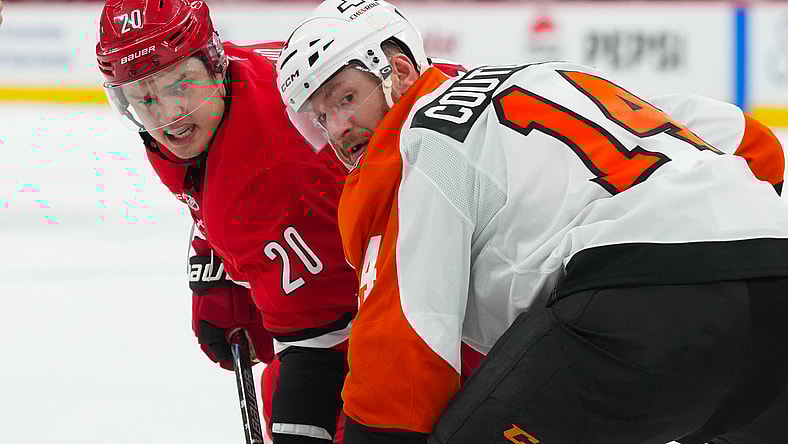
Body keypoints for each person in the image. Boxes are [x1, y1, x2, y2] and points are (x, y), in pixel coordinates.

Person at [277, 0, 788, 442]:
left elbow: (406, 342)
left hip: (642, 312)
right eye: (319, 118)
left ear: (401, 71)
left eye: (346, 98)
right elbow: (751, 142)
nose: (338, 129)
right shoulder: (550, 76)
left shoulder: (422, 145)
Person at [95, 1, 358, 442]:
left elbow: (330, 336)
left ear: (213, 61)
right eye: (143, 99)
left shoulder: (274, 173)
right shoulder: (232, 81)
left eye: (180, 86)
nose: (167, 116)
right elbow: (210, 183)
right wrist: (213, 252)